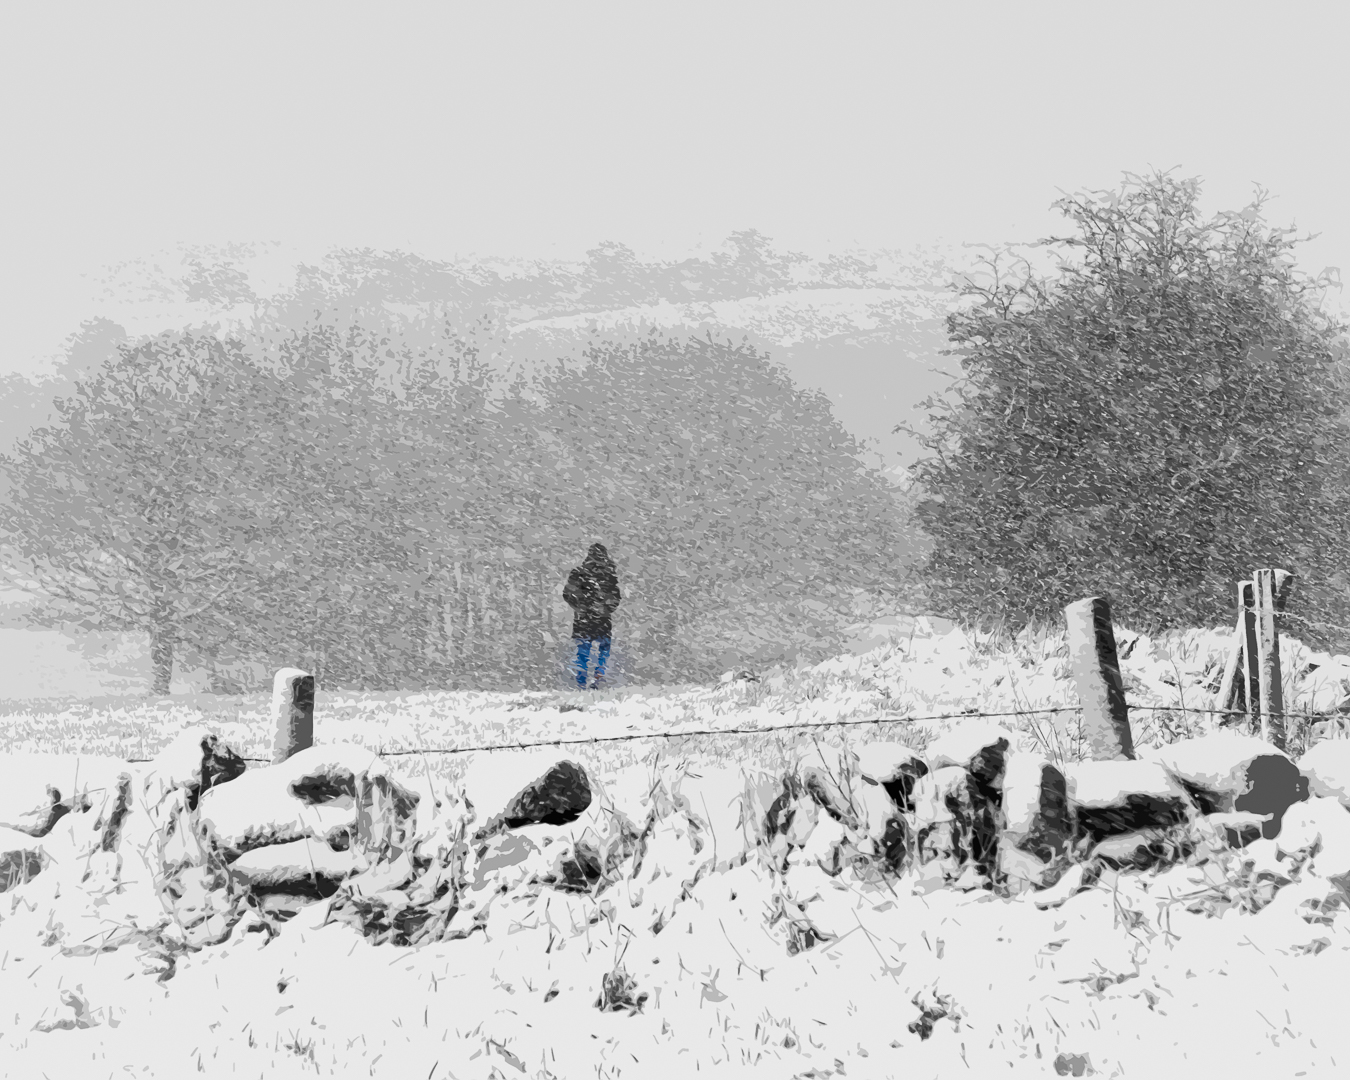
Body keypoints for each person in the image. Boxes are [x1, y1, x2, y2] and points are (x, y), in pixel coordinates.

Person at [563, 542, 621, 689]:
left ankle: (583, 682)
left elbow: (568, 594)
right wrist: (603, 608)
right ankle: (596, 681)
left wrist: (582, 606)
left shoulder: (581, 573)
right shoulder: (608, 574)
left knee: (584, 652)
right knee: (600, 652)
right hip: (599, 619)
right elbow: (615, 597)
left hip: (586, 620)